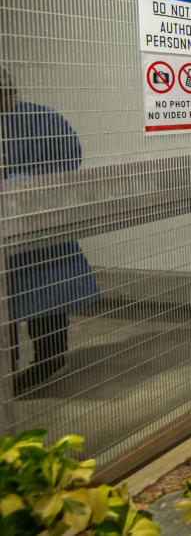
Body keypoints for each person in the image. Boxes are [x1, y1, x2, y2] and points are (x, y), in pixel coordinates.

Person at [1, 67, 99, 395]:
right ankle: (10, 368)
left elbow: (69, 162)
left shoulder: (43, 119)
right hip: (8, 229)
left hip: (40, 226)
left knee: (44, 295)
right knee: (11, 302)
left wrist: (22, 185)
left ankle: (50, 359)